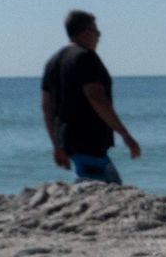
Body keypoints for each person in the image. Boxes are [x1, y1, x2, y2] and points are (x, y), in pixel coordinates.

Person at [41, 10, 140, 184]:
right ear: (86, 32)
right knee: (111, 190)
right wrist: (125, 135)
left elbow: (46, 107)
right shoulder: (85, 57)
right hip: (88, 139)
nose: (99, 37)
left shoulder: (53, 62)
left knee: (91, 184)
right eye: (97, 32)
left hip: (68, 140)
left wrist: (56, 145)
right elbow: (97, 98)